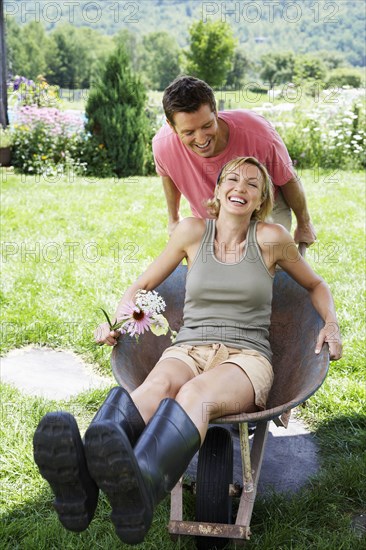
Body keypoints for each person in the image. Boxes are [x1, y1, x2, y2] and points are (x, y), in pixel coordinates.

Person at [33, 157, 341, 545]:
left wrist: (330, 323)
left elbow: (316, 286)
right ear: (216, 191)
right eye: (232, 179)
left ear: (262, 198)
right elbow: (143, 283)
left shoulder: (272, 238)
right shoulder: (191, 232)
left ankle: (140, 486)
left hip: (245, 358)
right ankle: (82, 480)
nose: (240, 188)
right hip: (189, 347)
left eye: (251, 184)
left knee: (194, 395)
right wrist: (118, 321)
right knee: (156, 385)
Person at [153, 75, 316, 245]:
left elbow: (287, 179)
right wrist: (173, 219)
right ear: (171, 126)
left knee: (262, 260)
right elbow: (168, 175)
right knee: (217, 266)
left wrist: (304, 224)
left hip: (263, 208)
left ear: (215, 112)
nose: (201, 139)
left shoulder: (257, 133)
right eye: (189, 132)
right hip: (212, 212)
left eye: (207, 126)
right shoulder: (162, 146)